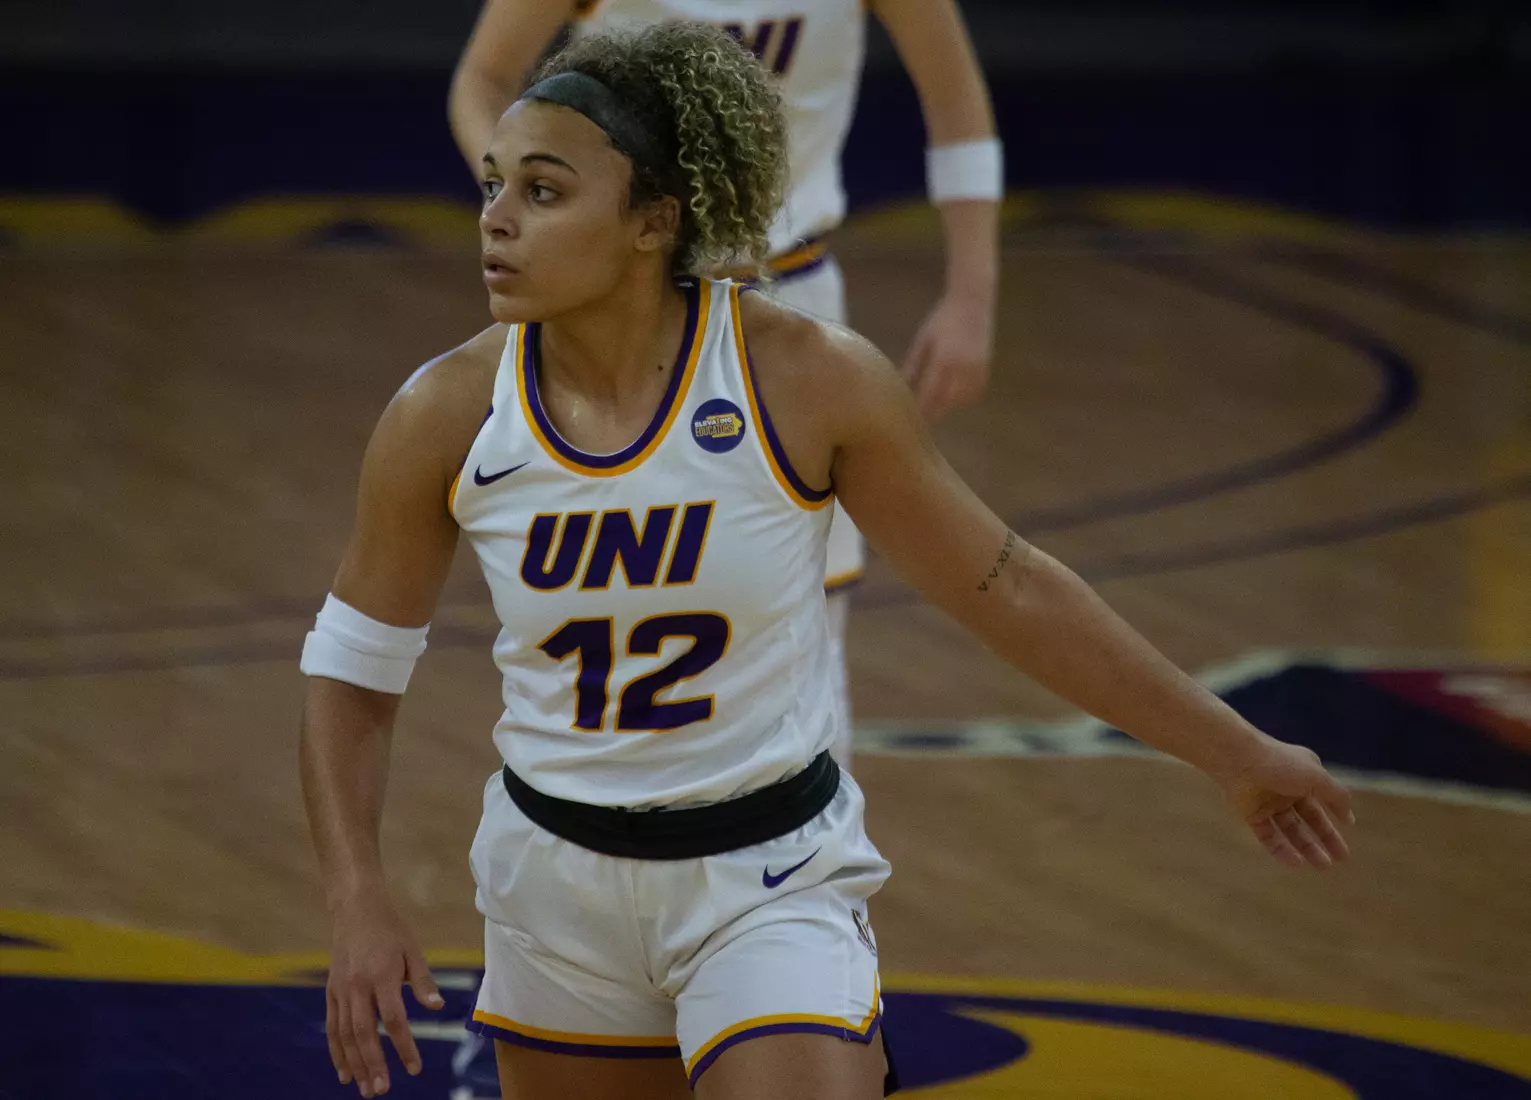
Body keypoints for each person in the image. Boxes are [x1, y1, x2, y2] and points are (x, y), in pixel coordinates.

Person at [300, 24, 1353, 1100]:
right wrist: (356, 893)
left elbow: (1013, 588)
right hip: (553, 888)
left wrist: (1233, 751)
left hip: (765, 879)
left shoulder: (806, 380)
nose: (496, 220)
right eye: (492, 186)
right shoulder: (444, 412)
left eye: (543, 191)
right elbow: (351, 672)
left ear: (653, 222)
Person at [450, 0, 1006, 766]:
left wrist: (971, 296)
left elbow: (954, 102)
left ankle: (805, 870)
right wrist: (538, 196)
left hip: (786, 295)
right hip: (619, 301)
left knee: (808, 621)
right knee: (609, 598)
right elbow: (482, 78)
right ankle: (609, 828)